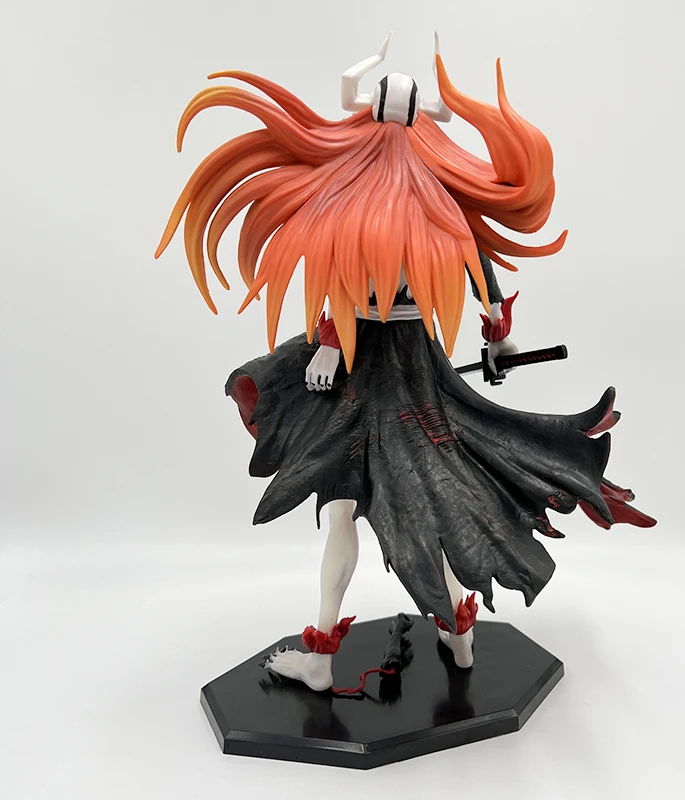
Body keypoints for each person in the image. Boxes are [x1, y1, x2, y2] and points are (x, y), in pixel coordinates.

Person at [156, 35, 656, 692]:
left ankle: (336, 655)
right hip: (385, 369)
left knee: (381, 502)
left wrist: (349, 343)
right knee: (427, 495)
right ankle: (455, 634)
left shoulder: (406, 207)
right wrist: (490, 344)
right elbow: (458, 292)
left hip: (387, 374)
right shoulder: (424, 209)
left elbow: (410, 281)